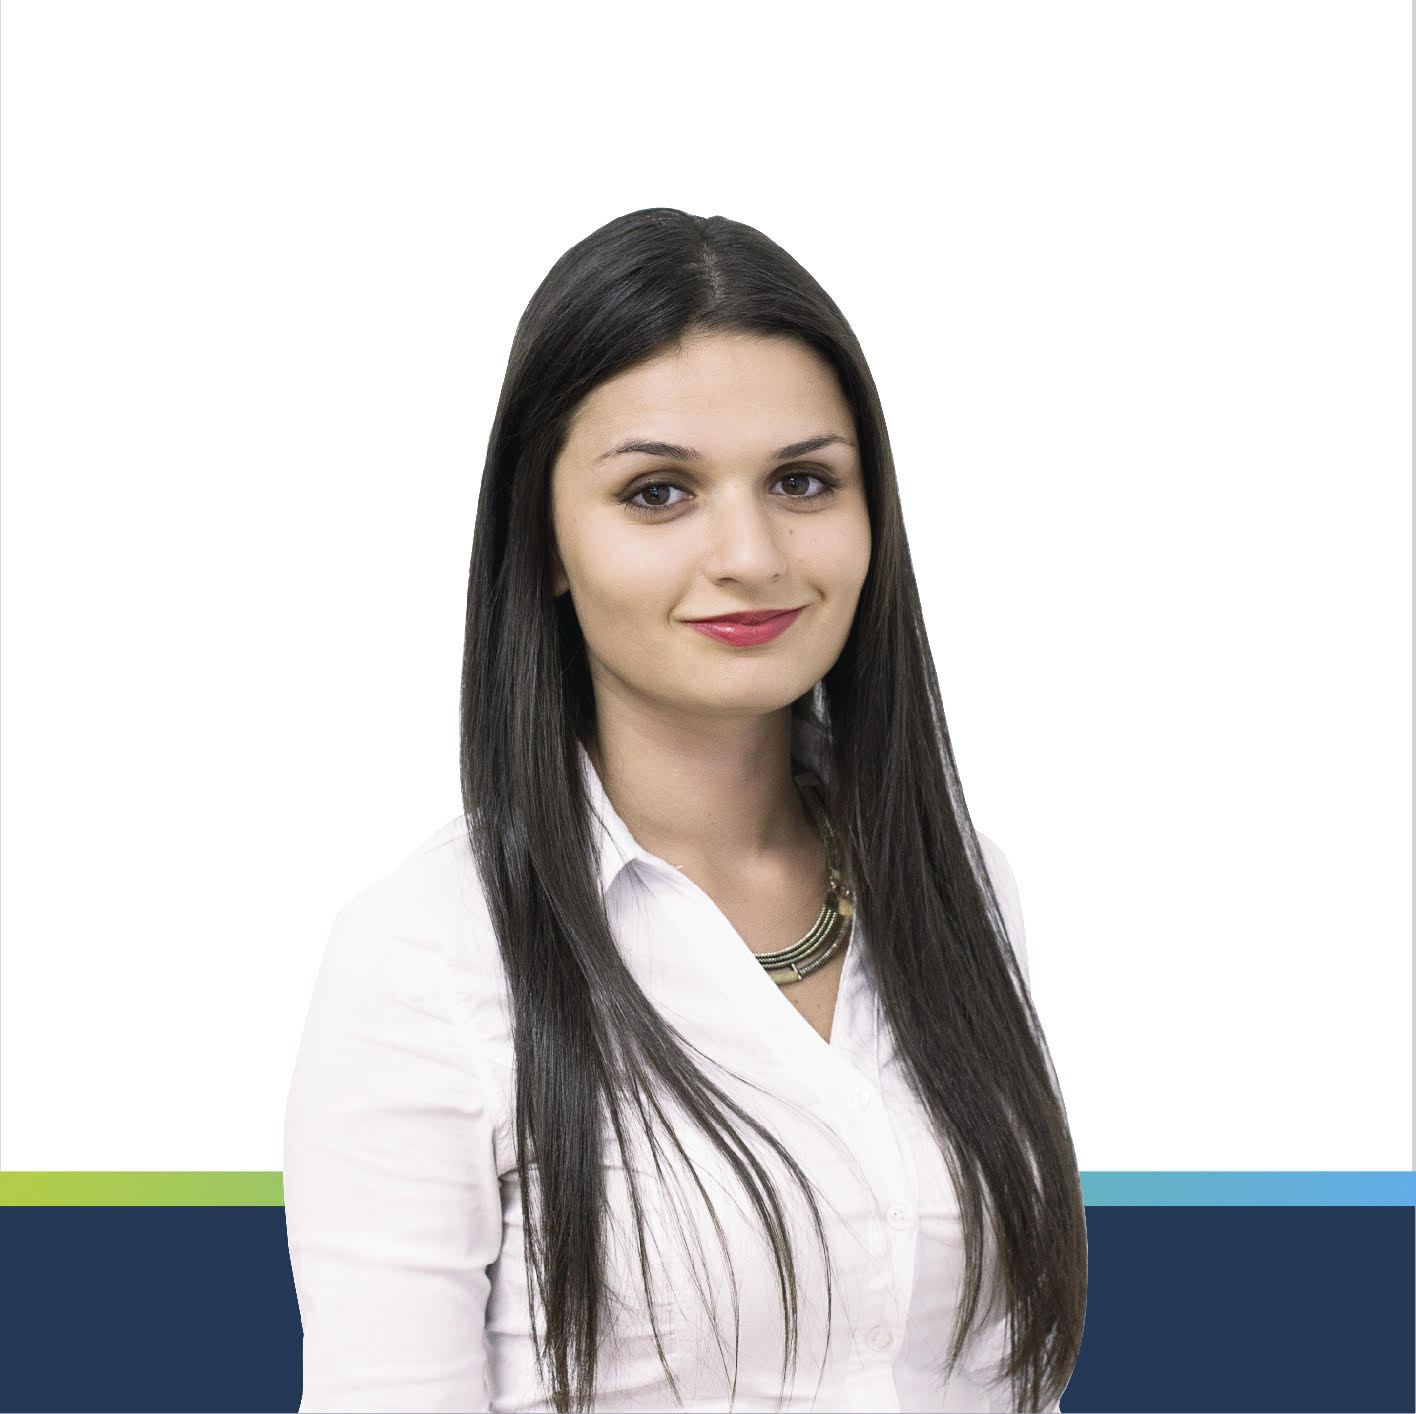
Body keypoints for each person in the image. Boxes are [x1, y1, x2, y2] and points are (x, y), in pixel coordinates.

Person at [283, 207, 1087, 1413]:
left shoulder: (959, 884)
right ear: (546, 543)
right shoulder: (430, 958)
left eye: (803, 481)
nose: (751, 554)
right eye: (659, 492)